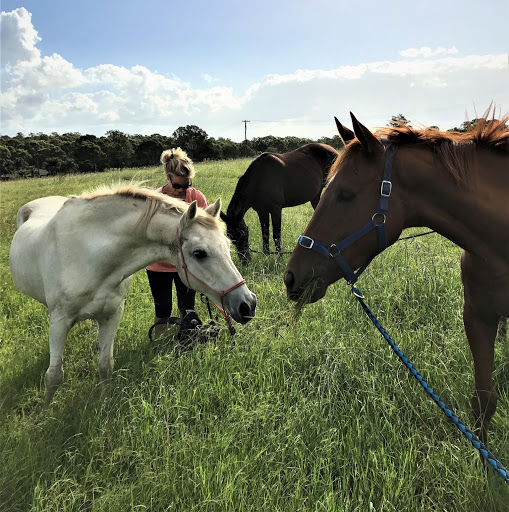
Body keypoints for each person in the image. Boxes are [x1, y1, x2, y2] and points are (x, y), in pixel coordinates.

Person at [146, 147, 208, 334]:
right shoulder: (156, 200)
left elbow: (207, 230)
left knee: (187, 308)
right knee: (162, 309)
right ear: (168, 178)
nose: (181, 191)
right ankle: (158, 345)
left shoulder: (196, 197)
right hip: (159, 265)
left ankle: (187, 341)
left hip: (187, 264)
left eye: (186, 186)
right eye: (177, 186)